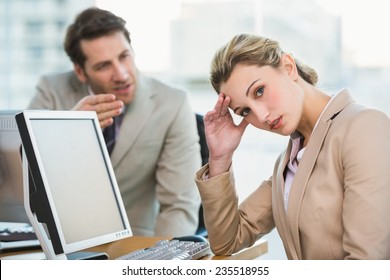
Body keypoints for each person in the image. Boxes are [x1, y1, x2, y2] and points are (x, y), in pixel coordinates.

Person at [195, 33, 390, 259]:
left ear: (288, 67)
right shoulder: (286, 164)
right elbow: (226, 242)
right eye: (244, 111)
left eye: (259, 91)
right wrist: (220, 158)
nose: (261, 115)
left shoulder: (363, 127)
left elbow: (367, 263)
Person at [27, 7, 202, 237]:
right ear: (81, 72)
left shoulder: (173, 103)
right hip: (61, 241)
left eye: (124, 56)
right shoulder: (51, 90)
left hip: (136, 243)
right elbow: (26, 177)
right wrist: (67, 131)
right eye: (103, 66)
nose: (121, 74)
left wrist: (162, 259)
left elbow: (179, 205)